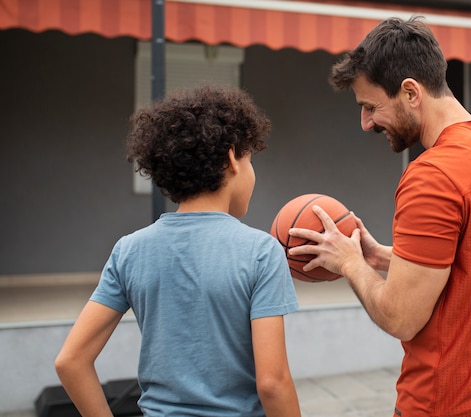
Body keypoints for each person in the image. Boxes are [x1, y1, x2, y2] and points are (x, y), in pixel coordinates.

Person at [288, 16, 471, 417]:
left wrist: (351, 263)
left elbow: (401, 317)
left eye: (371, 107)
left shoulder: (433, 175)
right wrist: (385, 258)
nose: (366, 123)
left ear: (410, 92)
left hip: (448, 404)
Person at [55, 85, 302, 417]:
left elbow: (70, 361)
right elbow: (272, 383)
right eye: (250, 159)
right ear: (232, 159)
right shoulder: (260, 251)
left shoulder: (129, 250)